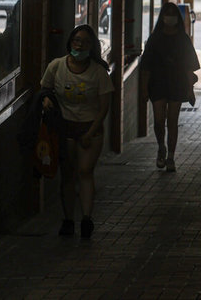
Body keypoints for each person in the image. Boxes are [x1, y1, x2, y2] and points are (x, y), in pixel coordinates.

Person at [41, 25, 113, 239]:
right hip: (65, 128)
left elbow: (104, 106)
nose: (80, 45)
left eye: (85, 42)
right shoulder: (57, 67)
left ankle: (86, 219)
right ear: (70, 42)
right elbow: (45, 87)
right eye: (76, 40)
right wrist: (46, 98)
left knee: (84, 171)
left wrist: (90, 132)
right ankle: (68, 219)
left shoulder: (99, 72)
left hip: (90, 128)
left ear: (92, 47)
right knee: (68, 174)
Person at [140, 3, 200, 172]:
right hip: (157, 83)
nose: (170, 17)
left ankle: (171, 156)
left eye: (173, 14)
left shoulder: (183, 39)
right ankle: (161, 147)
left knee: (172, 121)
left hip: (177, 83)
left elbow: (189, 67)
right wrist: (144, 89)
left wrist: (190, 89)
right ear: (163, 17)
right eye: (167, 14)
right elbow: (146, 67)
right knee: (159, 120)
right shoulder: (155, 38)